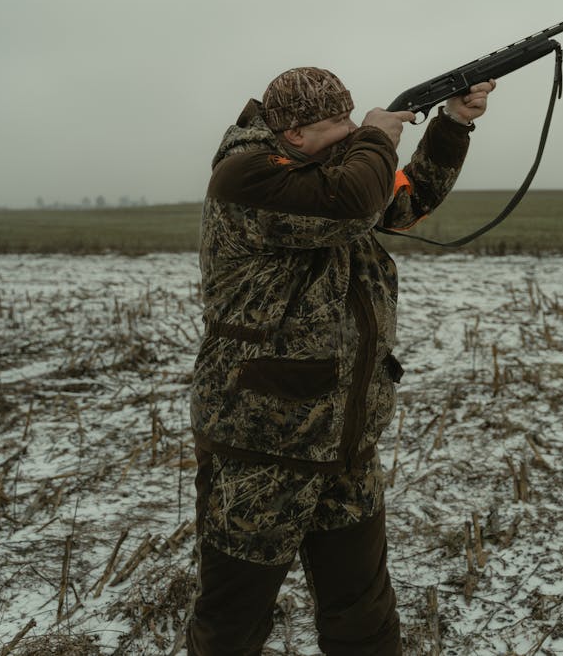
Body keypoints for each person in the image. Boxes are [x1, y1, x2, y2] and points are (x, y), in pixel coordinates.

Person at [187, 66, 496, 655]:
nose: (351, 131)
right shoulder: (245, 177)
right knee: (233, 619)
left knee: (363, 615)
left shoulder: (325, 172)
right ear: (294, 134)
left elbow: (403, 202)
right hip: (262, 442)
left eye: (353, 118)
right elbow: (356, 203)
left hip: (345, 438)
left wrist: (454, 123)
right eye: (336, 123)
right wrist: (379, 135)